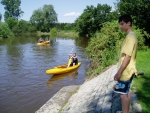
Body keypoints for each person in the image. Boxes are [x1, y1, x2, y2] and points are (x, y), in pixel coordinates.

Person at [114, 14, 138, 113]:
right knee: (126, 92)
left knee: (122, 95)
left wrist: (119, 72)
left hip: (125, 72)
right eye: (120, 24)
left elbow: (127, 57)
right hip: (129, 70)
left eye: (122, 24)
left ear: (129, 23)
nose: (121, 26)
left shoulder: (130, 37)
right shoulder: (132, 35)